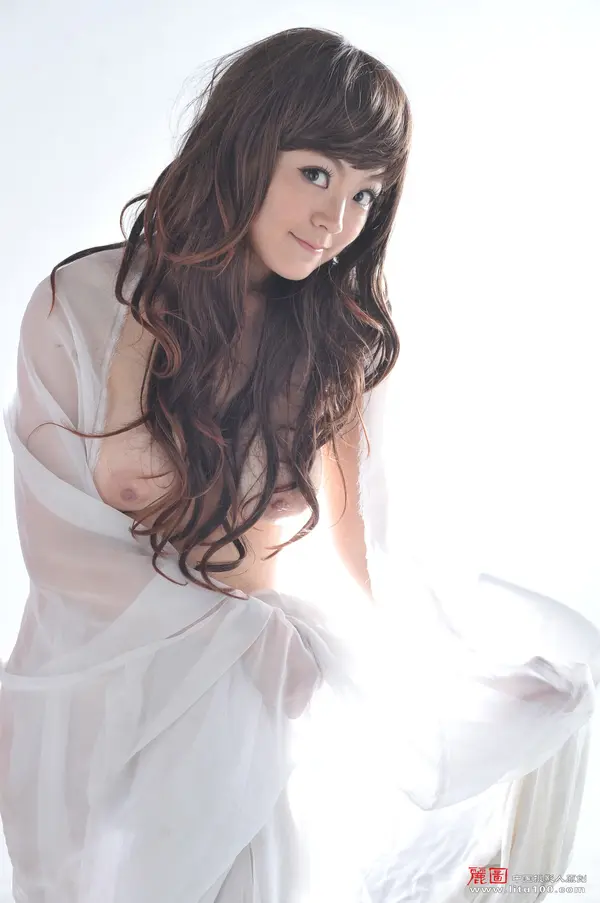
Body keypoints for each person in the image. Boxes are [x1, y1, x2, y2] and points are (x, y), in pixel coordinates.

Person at [1, 25, 599, 903]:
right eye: (316, 173)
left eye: (365, 194)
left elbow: (364, 555)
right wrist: (140, 326)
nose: (336, 221)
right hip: (94, 685)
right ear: (245, 148)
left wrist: (457, 680)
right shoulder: (81, 305)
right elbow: (72, 536)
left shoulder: (334, 344)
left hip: (248, 701)